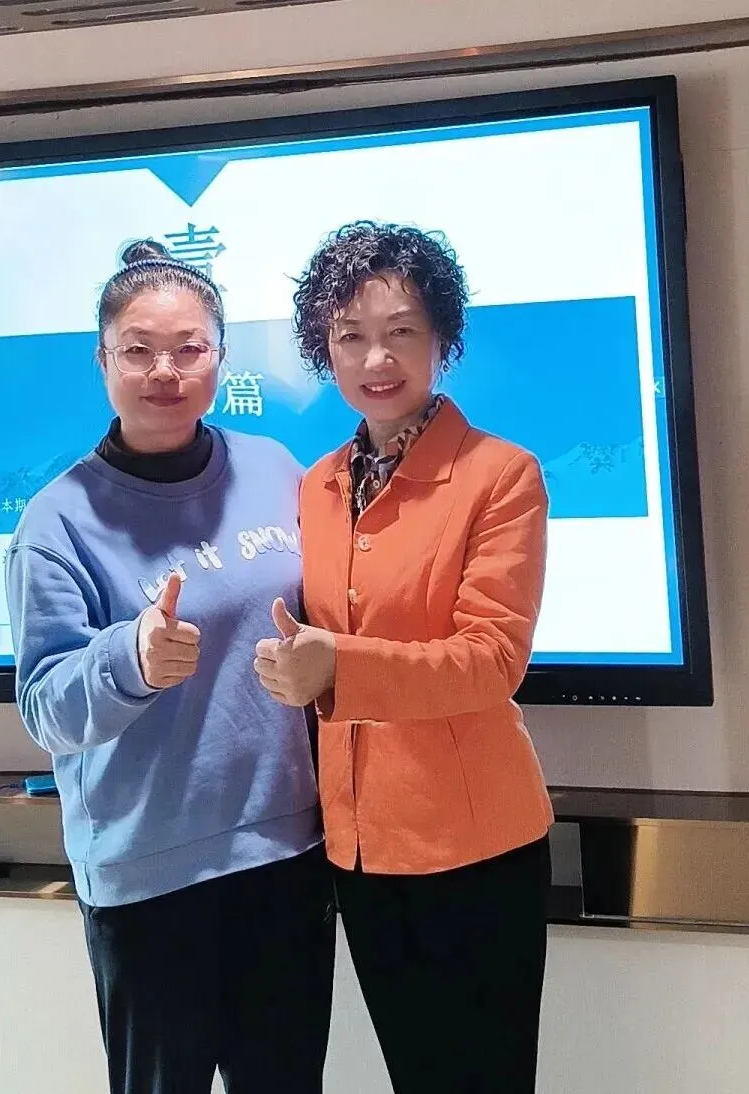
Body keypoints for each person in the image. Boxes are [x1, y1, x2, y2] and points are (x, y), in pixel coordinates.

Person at [5, 239, 333, 1094]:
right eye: (138, 351)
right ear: (102, 362)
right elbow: (44, 707)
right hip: (150, 878)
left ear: (220, 355)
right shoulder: (58, 521)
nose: (165, 371)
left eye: (189, 349)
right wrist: (132, 658)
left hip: (286, 854)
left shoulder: (273, 468)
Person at [254, 221, 553, 1094]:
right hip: (358, 849)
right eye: (350, 336)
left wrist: (336, 668)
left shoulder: (501, 475)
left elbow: (492, 658)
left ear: (441, 338)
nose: (375, 358)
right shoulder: (318, 486)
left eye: (401, 332)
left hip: (475, 847)